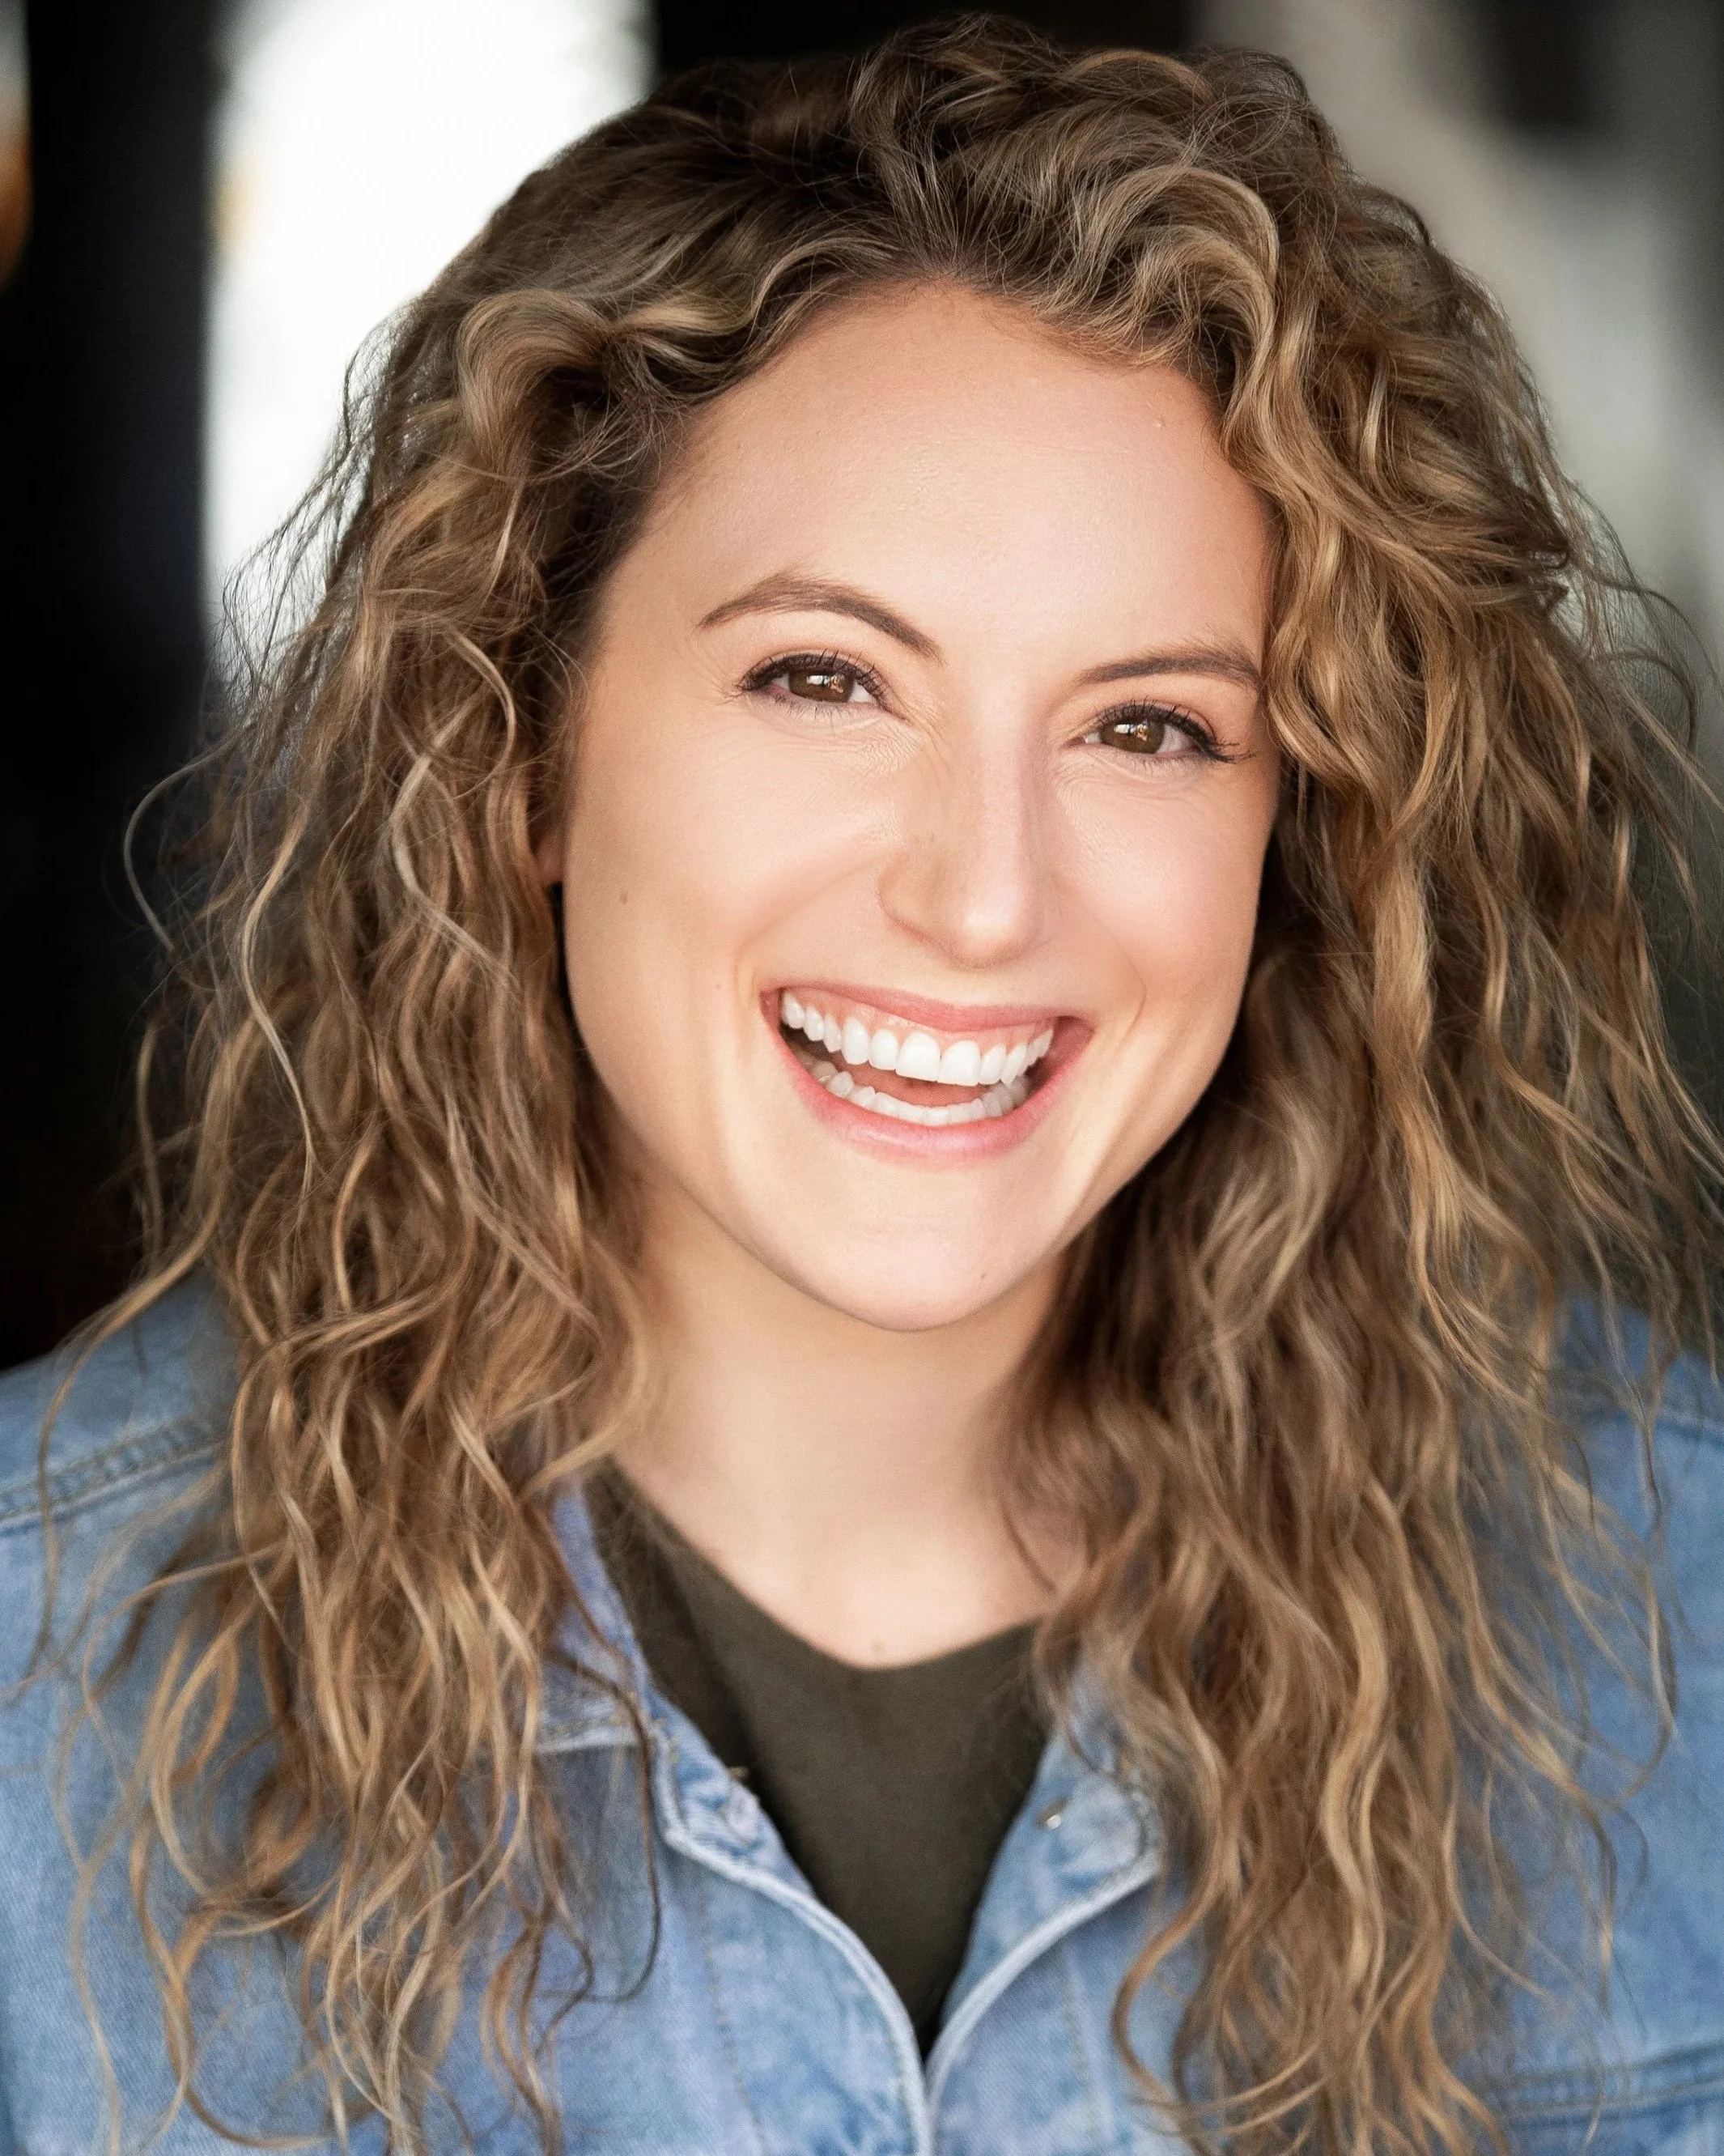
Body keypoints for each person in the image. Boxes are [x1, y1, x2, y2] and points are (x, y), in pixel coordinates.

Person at [1, 17, 1720, 2154]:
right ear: (522, 748)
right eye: (827, 677)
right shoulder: (34, 1671)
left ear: (1299, 826)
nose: (985, 896)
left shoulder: (1668, 1589)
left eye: (1152, 725)